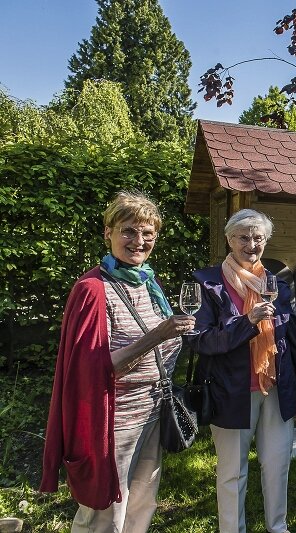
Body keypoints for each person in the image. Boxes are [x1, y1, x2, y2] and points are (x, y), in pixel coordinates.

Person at [40, 191, 196, 532]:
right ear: (107, 232)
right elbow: (95, 369)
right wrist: (160, 333)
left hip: (153, 411)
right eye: (128, 231)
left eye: (147, 234)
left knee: (142, 502)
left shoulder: (147, 281)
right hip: (114, 421)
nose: (138, 241)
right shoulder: (93, 289)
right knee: (106, 511)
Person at [190, 208, 296, 533]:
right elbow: (201, 340)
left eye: (258, 238)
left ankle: (278, 527)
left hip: (276, 388)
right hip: (231, 391)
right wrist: (248, 322)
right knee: (232, 472)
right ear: (229, 239)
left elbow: (292, 342)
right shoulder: (209, 283)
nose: (251, 244)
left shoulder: (277, 285)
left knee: (277, 465)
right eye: (244, 237)